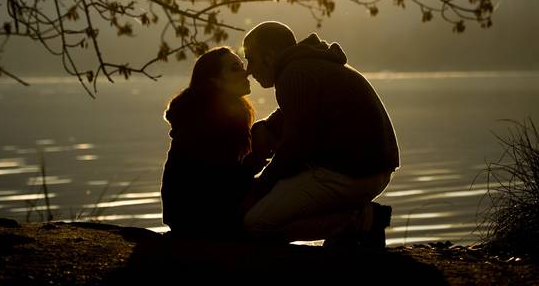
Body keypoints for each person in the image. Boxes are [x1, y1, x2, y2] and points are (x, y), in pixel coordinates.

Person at [241, 21, 399, 248]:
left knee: (255, 223)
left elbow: (294, 150)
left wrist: (257, 191)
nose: (248, 69)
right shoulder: (307, 66)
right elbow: (297, 114)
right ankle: (352, 221)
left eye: (251, 58)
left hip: (352, 175)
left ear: (269, 56)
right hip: (371, 170)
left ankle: (359, 221)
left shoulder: (293, 74)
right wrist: (267, 128)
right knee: (274, 198)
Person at [161, 46, 270, 236]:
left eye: (242, 65)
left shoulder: (217, 111)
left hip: (189, 215)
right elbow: (218, 184)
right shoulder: (208, 119)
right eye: (235, 68)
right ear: (215, 81)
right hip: (198, 218)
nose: (246, 72)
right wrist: (257, 158)